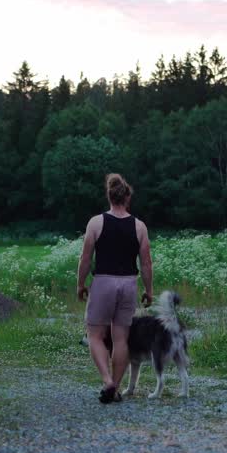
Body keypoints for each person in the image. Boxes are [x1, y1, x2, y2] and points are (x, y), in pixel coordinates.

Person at [76, 173, 153, 404]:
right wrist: (149, 290)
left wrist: (80, 284)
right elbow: (146, 263)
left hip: (104, 283)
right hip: (129, 283)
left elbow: (86, 258)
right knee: (121, 339)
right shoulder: (139, 226)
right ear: (127, 198)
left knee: (95, 335)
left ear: (109, 196)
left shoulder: (96, 223)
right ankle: (116, 389)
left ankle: (108, 381)